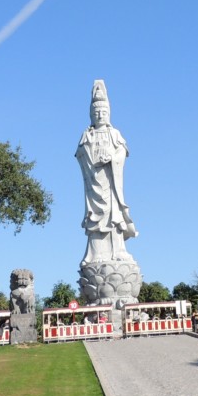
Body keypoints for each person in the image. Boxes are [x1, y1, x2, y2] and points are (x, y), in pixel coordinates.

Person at [76, 80, 138, 265]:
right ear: (91, 115)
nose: (100, 115)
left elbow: (122, 152)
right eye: (96, 113)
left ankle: (118, 250)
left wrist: (111, 158)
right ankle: (95, 254)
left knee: (114, 216)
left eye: (103, 112)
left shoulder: (115, 134)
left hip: (111, 182)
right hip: (95, 181)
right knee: (97, 218)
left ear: (109, 114)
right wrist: (93, 160)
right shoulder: (88, 135)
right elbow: (80, 154)